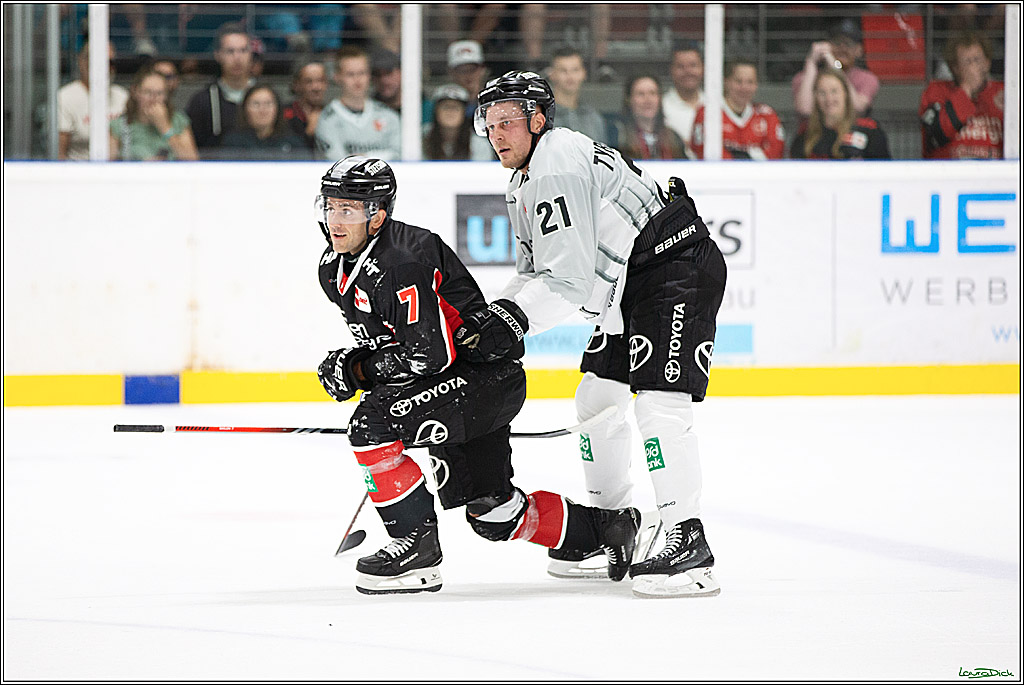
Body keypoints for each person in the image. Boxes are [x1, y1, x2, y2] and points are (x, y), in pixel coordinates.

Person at [314, 155, 642, 594]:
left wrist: (358, 370)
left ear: (378, 214)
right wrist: (358, 364)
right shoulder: (333, 267)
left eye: (349, 209)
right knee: (494, 514)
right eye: (331, 206)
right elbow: (394, 347)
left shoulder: (401, 261)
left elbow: (425, 357)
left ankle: (415, 549)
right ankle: (605, 530)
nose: (336, 219)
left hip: (481, 382)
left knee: (371, 426)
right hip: (456, 382)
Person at [461, 71, 726, 598]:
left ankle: (687, 539)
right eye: (489, 125)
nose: (497, 135)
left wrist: (510, 323)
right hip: (634, 279)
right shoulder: (524, 179)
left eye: (508, 122)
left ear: (538, 121)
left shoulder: (555, 159)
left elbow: (566, 281)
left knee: (660, 402)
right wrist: (497, 316)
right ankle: (613, 526)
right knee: (596, 397)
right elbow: (539, 273)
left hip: (673, 267)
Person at [919, 31, 1004, 160]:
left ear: (987, 63)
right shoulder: (936, 91)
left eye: (977, 60)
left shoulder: (1002, 93)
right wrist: (966, 90)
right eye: (967, 62)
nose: (974, 67)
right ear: (955, 67)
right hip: (947, 173)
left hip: (995, 174)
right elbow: (934, 136)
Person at [314, 46, 401, 161]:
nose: (357, 80)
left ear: (369, 75)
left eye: (362, 73)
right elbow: (337, 162)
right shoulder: (327, 119)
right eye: (350, 74)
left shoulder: (389, 116)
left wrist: (365, 157)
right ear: (337, 77)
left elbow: (399, 154)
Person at [691, 59, 785, 160]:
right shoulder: (707, 113)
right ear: (726, 82)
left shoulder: (767, 115)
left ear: (756, 85)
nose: (744, 88)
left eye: (750, 82)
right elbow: (703, 151)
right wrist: (752, 157)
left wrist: (739, 157)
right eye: (738, 81)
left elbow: (775, 152)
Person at [184, 22, 255, 153]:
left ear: (251, 54)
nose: (237, 58)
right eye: (230, 51)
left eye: (243, 50)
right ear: (217, 55)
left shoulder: (266, 98)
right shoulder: (202, 101)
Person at [790, 68, 890, 160]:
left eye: (834, 91)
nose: (829, 98)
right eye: (822, 93)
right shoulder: (805, 134)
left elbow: (886, 171)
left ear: (846, 94)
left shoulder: (868, 130)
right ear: (815, 97)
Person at [791, 18, 881, 120]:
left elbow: (857, 108)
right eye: (837, 43)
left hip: (853, 133)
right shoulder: (807, 77)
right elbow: (805, 110)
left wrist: (834, 66)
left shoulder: (867, 79)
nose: (842, 48)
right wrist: (811, 62)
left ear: (859, 50)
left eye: (848, 44)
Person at [57, 41, 130, 161]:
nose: (106, 68)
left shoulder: (123, 96)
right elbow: (60, 153)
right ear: (82, 62)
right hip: (78, 173)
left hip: (118, 171)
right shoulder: (65, 97)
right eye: (99, 61)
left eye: (110, 63)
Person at [109, 66, 199, 161]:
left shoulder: (178, 121)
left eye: (159, 93)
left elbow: (193, 161)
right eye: (147, 92)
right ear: (135, 92)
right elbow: (107, 166)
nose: (153, 99)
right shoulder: (119, 125)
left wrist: (165, 127)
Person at [219, 84, 309, 160]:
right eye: (256, 104)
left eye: (268, 104)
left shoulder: (293, 143)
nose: (262, 110)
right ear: (245, 109)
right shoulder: (232, 143)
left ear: (277, 109)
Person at [612, 74, 687, 161]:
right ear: (629, 99)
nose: (648, 100)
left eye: (652, 93)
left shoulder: (673, 137)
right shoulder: (618, 137)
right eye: (640, 94)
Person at [546, 46, 609, 144]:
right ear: (552, 74)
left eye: (575, 70)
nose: (570, 76)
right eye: (563, 70)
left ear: (584, 73)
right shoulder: (543, 117)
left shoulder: (593, 117)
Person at [422, 84, 495, 161]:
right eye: (446, 107)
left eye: (455, 107)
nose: (450, 112)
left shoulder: (479, 144)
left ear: (464, 113)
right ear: (436, 111)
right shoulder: (420, 137)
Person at [661, 42, 704, 158]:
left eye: (693, 65)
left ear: (703, 68)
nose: (688, 72)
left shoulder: (717, 105)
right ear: (671, 70)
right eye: (680, 66)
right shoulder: (661, 107)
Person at [283, 61, 329, 151]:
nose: (316, 87)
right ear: (297, 85)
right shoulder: (284, 114)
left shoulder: (333, 113)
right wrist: (308, 133)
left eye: (320, 81)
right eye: (309, 81)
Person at [447, 40, 488, 118]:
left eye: (472, 69)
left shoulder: (492, 101)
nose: (468, 75)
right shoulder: (443, 105)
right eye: (462, 70)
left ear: (483, 69)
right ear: (451, 73)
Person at [370, 49, 402, 113]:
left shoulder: (421, 106)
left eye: (388, 73)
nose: (383, 80)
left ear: (401, 72)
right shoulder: (368, 110)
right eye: (377, 74)